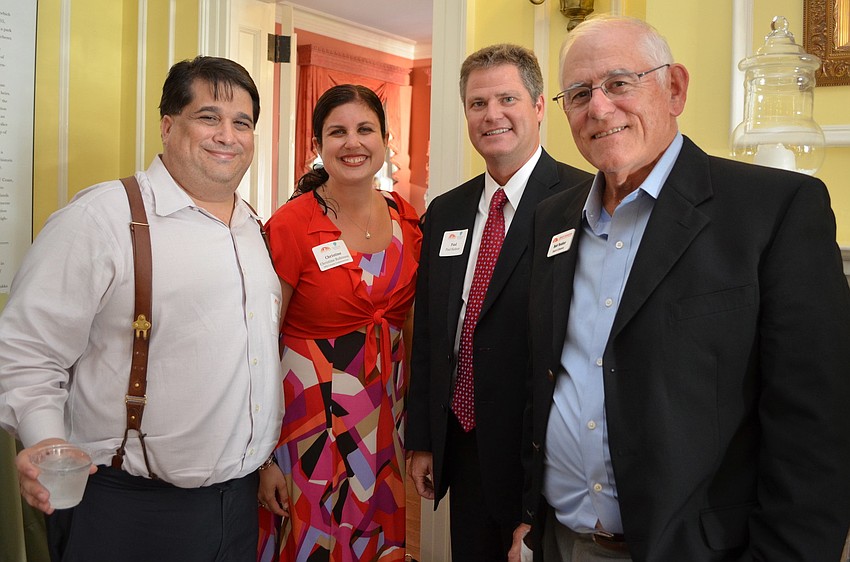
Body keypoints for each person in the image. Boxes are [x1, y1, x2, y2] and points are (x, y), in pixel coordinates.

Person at [509, 14, 850, 562]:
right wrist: (530, 517)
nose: (598, 108)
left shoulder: (774, 212)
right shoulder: (553, 218)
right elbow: (547, 377)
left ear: (674, 88)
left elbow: (814, 436)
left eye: (620, 83)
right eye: (578, 94)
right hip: (560, 541)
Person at [0, 56, 283, 560]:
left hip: (239, 506)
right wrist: (46, 443)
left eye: (242, 123)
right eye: (209, 117)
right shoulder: (102, 217)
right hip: (128, 511)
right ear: (168, 125)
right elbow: (25, 351)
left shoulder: (253, 227)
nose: (228, 135)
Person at [405, 44, 591, 561]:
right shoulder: (446, 211)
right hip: (462, 445)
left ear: (537, 107)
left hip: (542, 450)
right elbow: (432, 337)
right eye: (477, 103)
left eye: (507, 98)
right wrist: (424, 436)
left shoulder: (584, 201)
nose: (492, 115)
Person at [256, 84, 421, 562]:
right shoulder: (290, 225)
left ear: (385, 140)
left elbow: (410, 326)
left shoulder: (406, 219)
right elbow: (260, 345)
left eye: (365, 129)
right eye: (338, 132)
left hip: (384, 417)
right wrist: (264, 457)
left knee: (375, 537)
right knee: (315, 542)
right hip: (309, 422)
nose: (353, 142)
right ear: (317, 147)